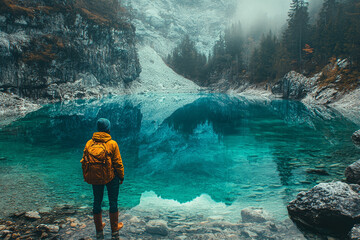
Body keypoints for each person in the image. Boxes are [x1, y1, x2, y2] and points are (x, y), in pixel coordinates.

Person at [81, 118, 125, 237]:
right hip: (111, 177)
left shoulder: (90, 143)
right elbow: (118, 163)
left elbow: (84, 161)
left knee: (97, 202)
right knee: (113, 202)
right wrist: (121, 176)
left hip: (95, 177)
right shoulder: (112, 143)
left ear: (98, 129)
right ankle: (115, 229)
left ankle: (99, 230)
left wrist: (87, 175)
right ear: (108, 130)